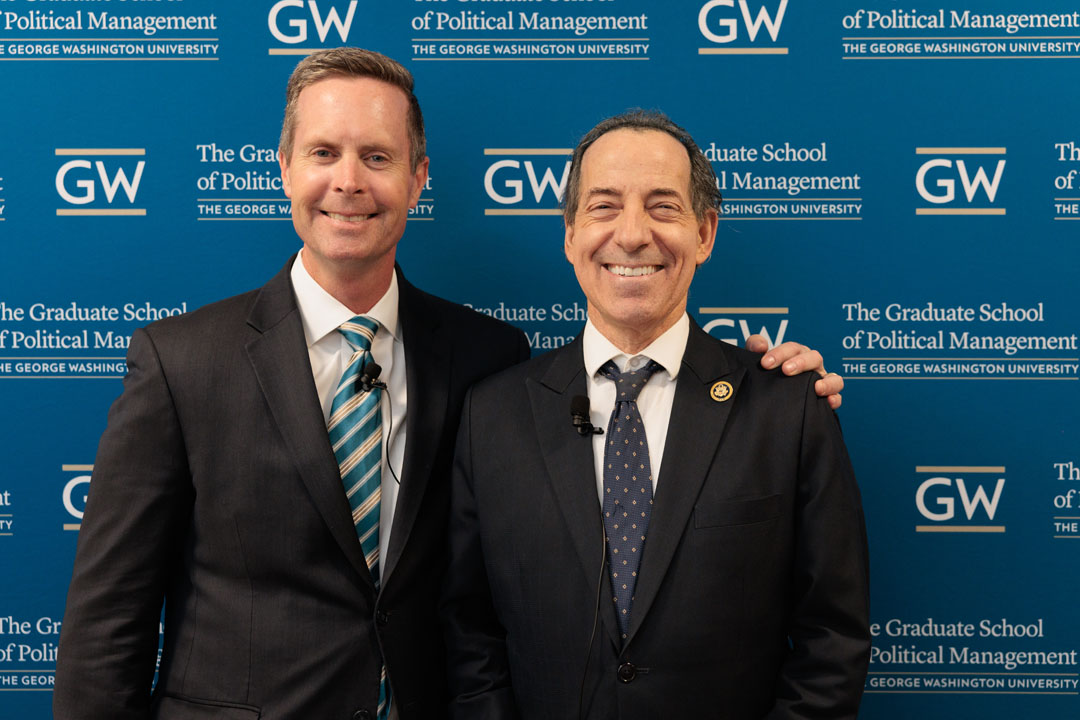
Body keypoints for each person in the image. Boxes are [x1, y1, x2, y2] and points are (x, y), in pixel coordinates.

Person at [53, 49, 842, 719]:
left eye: (378, 156)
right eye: (324, 153)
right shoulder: (180, 360)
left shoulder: (486, 359)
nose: (349, 182)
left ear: (418, 176)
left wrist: (768, 381)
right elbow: (106, 618)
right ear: (285, 168)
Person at [442, 111, 870, 719]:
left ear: (705, 234)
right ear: (569, 234)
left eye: (663, 207)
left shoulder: (788, 407)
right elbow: (470, 633)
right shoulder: (492, 417)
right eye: (604, 206)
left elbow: (834, 641)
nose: (633, 234)